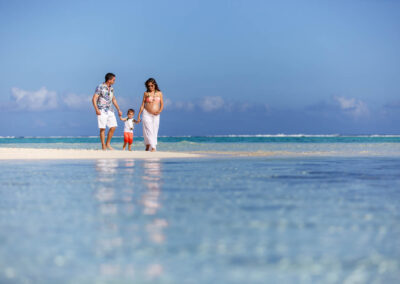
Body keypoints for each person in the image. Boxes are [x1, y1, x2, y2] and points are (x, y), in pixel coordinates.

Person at [92, 73, 123, 150]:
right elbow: (94, 99)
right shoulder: (100, 87)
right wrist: (96, 109)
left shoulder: (111, 88)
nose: (114, 81)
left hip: (110, 110)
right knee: (102, 128)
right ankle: (103, 146)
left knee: (113, 126)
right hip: (101, 110)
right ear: (109, 80)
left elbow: (114, 99)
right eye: (113, 80)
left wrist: (118, 109)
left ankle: (107, 143)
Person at [137, 78, 164, 152]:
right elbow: (142, 104)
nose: (150, 87)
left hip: (156, 114)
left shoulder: (159, 93)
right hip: (146, 113)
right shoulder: (146, 93)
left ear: (155, 85)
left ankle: (148, 144)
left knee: (155, 130)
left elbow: (162, 104)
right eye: (148, 86)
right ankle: (153, 147)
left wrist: (159, 111)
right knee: (148, 129)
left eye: (151, 85)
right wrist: (139, 115)